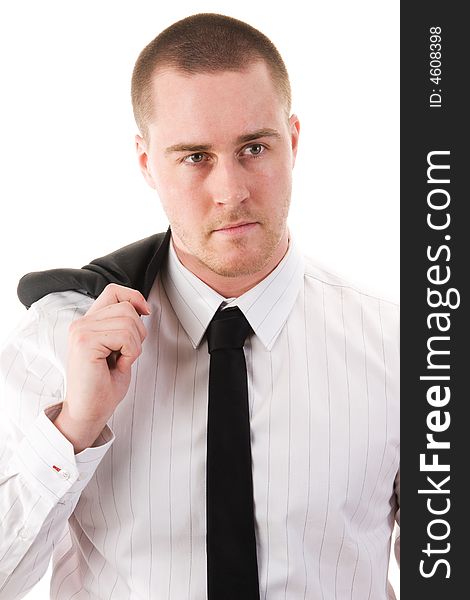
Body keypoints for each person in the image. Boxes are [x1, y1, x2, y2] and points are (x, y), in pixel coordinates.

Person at [0, 13, 399, 600]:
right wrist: (73, 430)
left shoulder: (404, 349)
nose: (231, 190)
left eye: (254, 148)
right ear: (146, 162)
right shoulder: (60, 342)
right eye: (194, 157)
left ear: (293, 140)